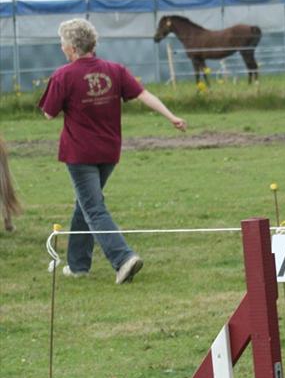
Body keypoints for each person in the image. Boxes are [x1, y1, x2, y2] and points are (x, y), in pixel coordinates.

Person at [38, 18, 186, 284]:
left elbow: (49, 113)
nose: (62, 48)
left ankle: (123, 258)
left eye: (63, 44)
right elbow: (143, 94)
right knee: (84, 205)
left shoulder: (63, 75)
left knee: (93, 207)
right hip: (109, 152)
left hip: (80, 155)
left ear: (71, 48)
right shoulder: (115, 70)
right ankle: (78, 265)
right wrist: (171, 116)